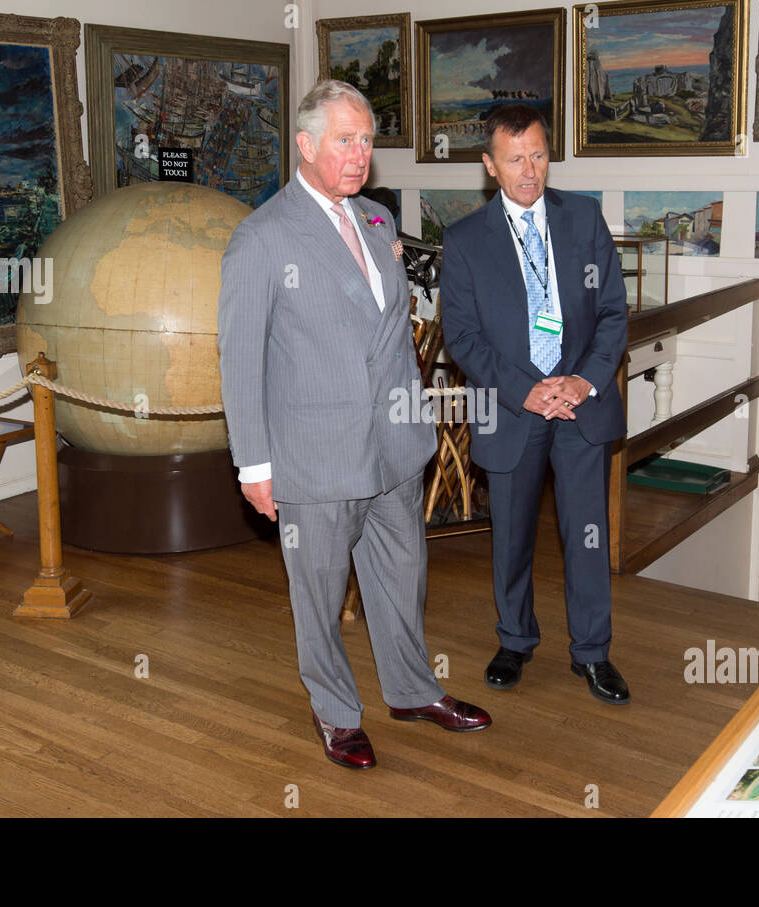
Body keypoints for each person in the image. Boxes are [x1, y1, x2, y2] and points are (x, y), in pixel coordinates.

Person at [217, 80, 490, 770]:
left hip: (393, 449)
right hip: (313, 458)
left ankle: (410, 689)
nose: (360, 153)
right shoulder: (260, 239)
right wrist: (254, 465)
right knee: (319, 594)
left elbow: (392, 334)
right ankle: (337, 712)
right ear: (305, 145)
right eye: (346, 139)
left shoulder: (375, 220)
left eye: (367, 139)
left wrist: (413, 416)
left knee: (402, 580)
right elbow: (240, 359)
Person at [440, 105, 631, 704]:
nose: (530, 170)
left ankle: (593, 653)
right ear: (489, 166)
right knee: (512, 535)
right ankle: (515, 639)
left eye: (539, 155)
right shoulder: (466, 240)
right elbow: (463, 337)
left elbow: (612, 314)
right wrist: (526, 389)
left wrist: (583, 382)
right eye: (515, 158)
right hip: (513, 406)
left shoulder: (585, 218)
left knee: (587, 534)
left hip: (580, 407)